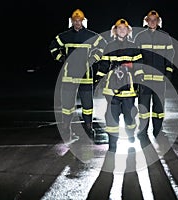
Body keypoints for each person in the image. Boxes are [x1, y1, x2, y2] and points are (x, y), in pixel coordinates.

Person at [49, 9, 107, 144]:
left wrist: (93, 58)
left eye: (79, 20)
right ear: (72, 21)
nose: (77, 23)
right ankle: (66, 128)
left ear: (83, 21)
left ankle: (88, 128)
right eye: (75, 20)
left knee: (87, 105)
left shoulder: (90, 36)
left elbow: (103, 45)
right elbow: (53, 47)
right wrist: (61, 58)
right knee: (67, 106)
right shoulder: (65, 36)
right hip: (68, 76)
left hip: (85, 76)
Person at [95, 19, 143, 152]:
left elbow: (139, 66)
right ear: (115, 30)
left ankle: (130, 134)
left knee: (129, 117)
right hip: (112, 89)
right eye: (119, 28)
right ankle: (113, 143)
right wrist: (99, 78)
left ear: (128, 31)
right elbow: (104, 65)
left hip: (129, 89)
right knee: (111, 117)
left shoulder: (134, 47)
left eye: (124, 28)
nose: (122, 30)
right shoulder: (109, 46)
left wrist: (140, 81)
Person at [133, 10, 175, 139]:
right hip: (144, 79)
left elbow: (170, 56)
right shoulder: (140, 37)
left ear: (158, 21)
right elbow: (136, 56)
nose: (152, 22)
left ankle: (158, 130)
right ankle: (143, 130)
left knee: (159, 108)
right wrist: (139, 73)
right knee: (143, 108)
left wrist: (168, 72)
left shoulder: (165, 36)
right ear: (146, 21)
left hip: (159, 79)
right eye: (150, 20)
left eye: (154, 20)